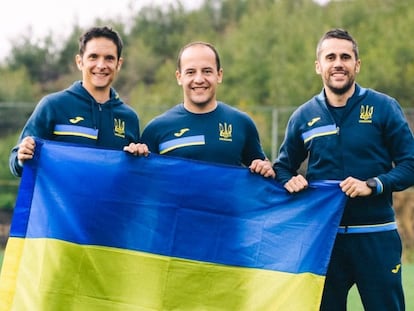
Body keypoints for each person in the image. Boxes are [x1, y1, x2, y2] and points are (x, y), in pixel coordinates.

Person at [274, 28, 414, 310]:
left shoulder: (384, 108)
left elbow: (410, 165)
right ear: (319, 66)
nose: (338, 63)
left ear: (356, 65)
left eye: (345, 57)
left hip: (376, 237)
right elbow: (282, 169)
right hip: (324, 241)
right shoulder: (303, 116)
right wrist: (291, 181)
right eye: (330, 57)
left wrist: (373, 184)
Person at [9, 26, 148, 177]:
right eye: (93, 57)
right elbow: (16, 163)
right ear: (80, 62)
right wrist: (21, 157)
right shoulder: (53, 106)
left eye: (109, 58)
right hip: (61, 202)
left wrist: (140, 158)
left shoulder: (129, 118)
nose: (101, 65)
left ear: (118, 64)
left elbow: (133, 177)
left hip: (109, 202)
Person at [140, 41, 274, 178]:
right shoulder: (156, 129)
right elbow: (141, 181)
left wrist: (266, 168)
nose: (199, 79)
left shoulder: (241, 123)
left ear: (219, 75)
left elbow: (264, 173)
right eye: (191, 72)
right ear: (179, 77)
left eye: (207, 71)